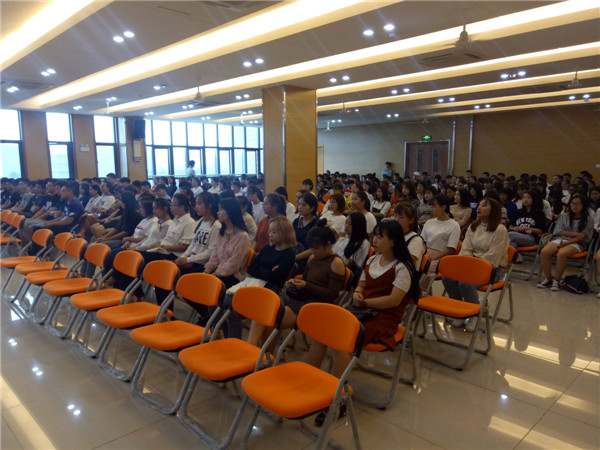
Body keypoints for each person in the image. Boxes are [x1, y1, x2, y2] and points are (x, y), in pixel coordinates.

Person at [306, 219, 419, 422]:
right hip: (362, 310)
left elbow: (394, 300)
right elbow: (361, 285)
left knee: (339, 339)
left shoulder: (402, 267)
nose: (374, 240)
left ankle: (337, 399)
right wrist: (358, 294)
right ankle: (308, 381)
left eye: (379, 237)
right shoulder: (373, 260)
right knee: (322, 330)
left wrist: (365, 302)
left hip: (384, 317)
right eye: (374, 236)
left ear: (393, 241)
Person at [247, 221, 346, 346]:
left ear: (328, 245)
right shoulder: (313, 258)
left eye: (316, 248)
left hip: (315, 304)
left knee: (268, 318)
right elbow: (306, 280)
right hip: (301, 298)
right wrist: (297, 283)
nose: (313, 251)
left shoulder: (336, 263)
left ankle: (259, 351)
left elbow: (332, 295)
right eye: (311, 248)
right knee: (263, 311)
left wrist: (306, 286)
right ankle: (257, 349)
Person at [223, 216, 296, 339]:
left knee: (234, 309)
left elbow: (276, 278)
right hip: (254, 282)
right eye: (269, 231)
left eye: (274, 232)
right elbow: (251, 268)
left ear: (284, 233)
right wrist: (269, 271)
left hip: (270, 289)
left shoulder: (289, 254)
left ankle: (233, 340)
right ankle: (228, 337)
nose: (269, 235)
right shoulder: (268, 247)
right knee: (223, 301)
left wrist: (262, 270)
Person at [442, 198, 509, 331]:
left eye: (484, 206)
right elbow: (466, 249)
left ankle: (473, 314)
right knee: (447, 279)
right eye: (479, 205)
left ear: (493, 210)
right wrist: (469, 265)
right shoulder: (473, 226)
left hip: (490, 270)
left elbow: (493, 256)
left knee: (464, 283)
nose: (479, 208)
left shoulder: (500, 230)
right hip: (470, 266)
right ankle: (459, 310)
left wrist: (474, 266)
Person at [538, 193, 593, 291]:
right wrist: (576, 234)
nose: (575, 206)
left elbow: (583, 237)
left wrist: (567, 242)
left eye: (578, 204)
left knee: (562, 253)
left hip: (576, 243)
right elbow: (559, 231)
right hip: (560, 239)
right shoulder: (565, 216)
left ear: (583, 205)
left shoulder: (589, 219)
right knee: (544, 252)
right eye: (573, 203)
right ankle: (548, 278)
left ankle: (557, 281)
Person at [203, 197, 251, 288]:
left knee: (206, 287)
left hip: (233, 275)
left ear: (230, 211)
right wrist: (207, 270)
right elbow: (214, 255)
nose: (218, 212)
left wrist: (214, 274)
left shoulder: (242, 236)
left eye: (221, 209)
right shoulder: (221, 232)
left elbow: (233, 264)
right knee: (198, 281)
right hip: (218, 271)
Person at [420, 195, 461, 291]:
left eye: (434, 206)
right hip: (425, 253)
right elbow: (422, 242)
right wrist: (422, 253)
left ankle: (422, 295)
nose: (431, 209)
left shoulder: (454, 225)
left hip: (441, 257)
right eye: (431, 206)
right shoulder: (429, 222)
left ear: (443, 207)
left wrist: (434, 257)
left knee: (424, 271)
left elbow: (450, 249)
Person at [173, 192, 221, 273]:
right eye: (196, 204)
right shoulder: (199, 222)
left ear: (209, 205)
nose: (196, 207)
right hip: (192, 260)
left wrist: (188, 259)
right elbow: (193, 244)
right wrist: (183, 256)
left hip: (202, 265)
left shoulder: (216, 225)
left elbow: (210, 252)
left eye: (199, 204)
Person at [332, 212, 370, 282]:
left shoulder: (364, 243)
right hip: (332, 267)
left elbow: (351, 265)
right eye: (346, 222)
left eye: (350, 224)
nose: (346, 226)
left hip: (342, 273)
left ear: (358, 226)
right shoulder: (343, 239)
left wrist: (331, 266)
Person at [393, 201, 426, 268]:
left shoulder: (416, 239)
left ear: (411, 220)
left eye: (401, 217)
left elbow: (408, 261)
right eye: (395, 216)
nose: (396, 220)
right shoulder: (392, 234)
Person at [293, 192, 319, 272]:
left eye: (303, 205)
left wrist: (294, 258)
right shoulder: (297, 221)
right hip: (294, 252)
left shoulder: (317, 224)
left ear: (312, 208)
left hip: (308, 258)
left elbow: (313, 249)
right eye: (299, 204)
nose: (300, 207)